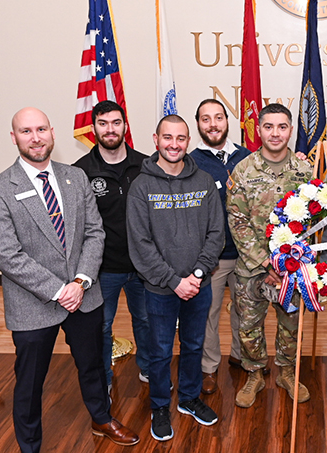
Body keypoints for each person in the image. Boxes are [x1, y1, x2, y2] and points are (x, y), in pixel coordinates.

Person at [0, 107, 139, 452]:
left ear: (52, 133)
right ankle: (30, 444)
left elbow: (95, 233)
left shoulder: (75, 178)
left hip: (84, 295)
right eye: (26, 131)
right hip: (33, 304)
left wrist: (80, 282)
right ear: (14, 138)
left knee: (93, 365)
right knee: (30, 381)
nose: (35, 138)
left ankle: (102, 418)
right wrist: (57, 290)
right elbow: (7, 255)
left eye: (41, 129)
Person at [126, 114, 225, 441]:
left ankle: (189, 398)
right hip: (159, 290)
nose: (174, 144)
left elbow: (216, 234)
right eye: (167, 138)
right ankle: (159, 406)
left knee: (195, 345)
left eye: (180, 138)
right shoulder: (142, 186)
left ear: (188, 141)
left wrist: (196, 275)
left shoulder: (204, 182)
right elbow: (140, 244)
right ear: (156, 140)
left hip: (199, 285)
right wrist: (174, 281)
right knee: (160, 351)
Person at [226, 103, 313, 408]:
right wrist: (266, 261)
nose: (275, 133)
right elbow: (237, 219)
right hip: (253, 268)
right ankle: (254, 374)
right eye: (269, 126)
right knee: (249, 327)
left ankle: (287, 372)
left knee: (290, 325)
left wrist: (290, 263)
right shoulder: (243, 170)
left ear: (290, 130)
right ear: (259, 130)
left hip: (292, 270)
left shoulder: (305, 170)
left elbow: (312, 220)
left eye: (282, 127)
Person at [73, 100, 150, 391]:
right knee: (101, 327)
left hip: (142, 266)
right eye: (103, 124)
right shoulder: (79, 172)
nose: (110, 129)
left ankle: (148, 368)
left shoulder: (145, 165)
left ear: (125, 126)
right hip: (102, 269)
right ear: (93, 128)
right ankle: (104, 378)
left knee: (145, 321)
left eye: (116, 123)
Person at [189, 99, 253, 395]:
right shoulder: (190, 162)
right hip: (211, 257)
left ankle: (243, 358)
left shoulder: (248, 158)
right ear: (198, 124)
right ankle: (208, 368)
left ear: (228, 120)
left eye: (218, 117)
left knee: (247, 310)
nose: (212, 124)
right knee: (208, 313)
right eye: (205, 119)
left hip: (247, 254)